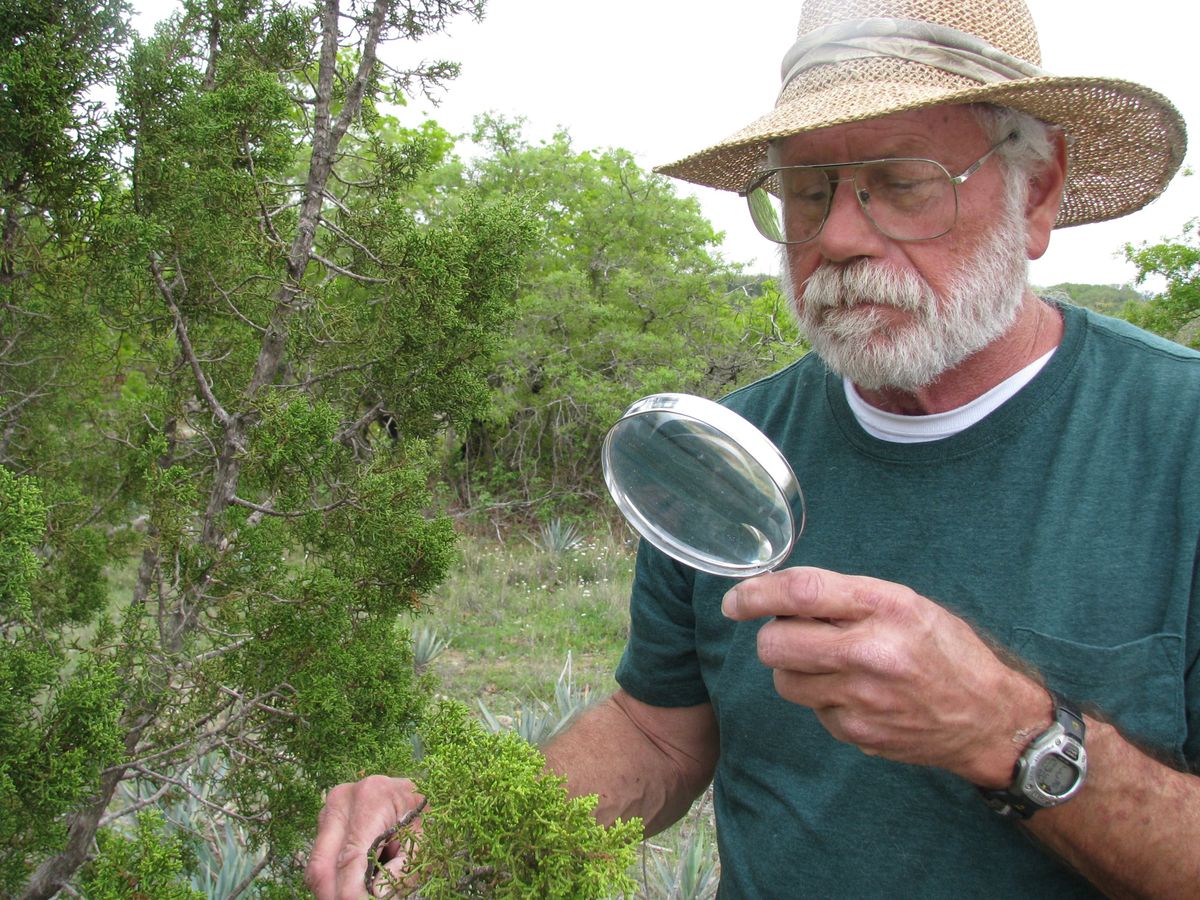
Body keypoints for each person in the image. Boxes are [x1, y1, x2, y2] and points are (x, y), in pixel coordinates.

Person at [307, 1, 1200, 896]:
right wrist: (465, 822)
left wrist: (1009, 734)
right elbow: (659, 734)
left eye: (902, 181)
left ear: (1036, 191)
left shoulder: (1178, 439)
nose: (839, 237)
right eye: (807, 191)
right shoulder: (722, 451)